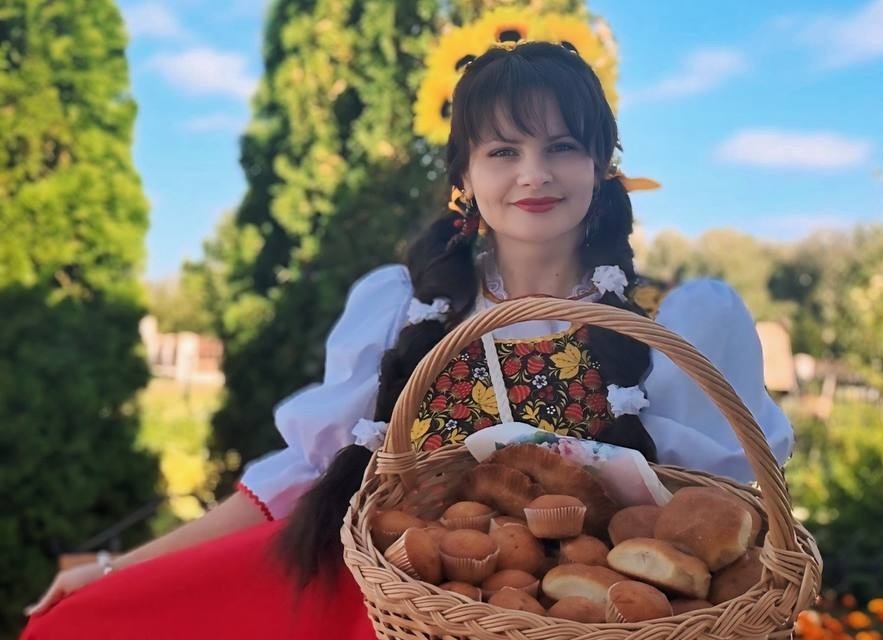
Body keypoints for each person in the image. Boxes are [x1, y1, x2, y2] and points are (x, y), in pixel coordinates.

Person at [22, 41, 793, 639]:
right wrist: (115, 569)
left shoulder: (674, 326)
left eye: (561, 147)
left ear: (602, 167)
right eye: (503, 151)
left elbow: (714, 524)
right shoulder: (401, 311)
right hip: (385, 616)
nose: (534, 174)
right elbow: (300, 481)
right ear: (465, 175)